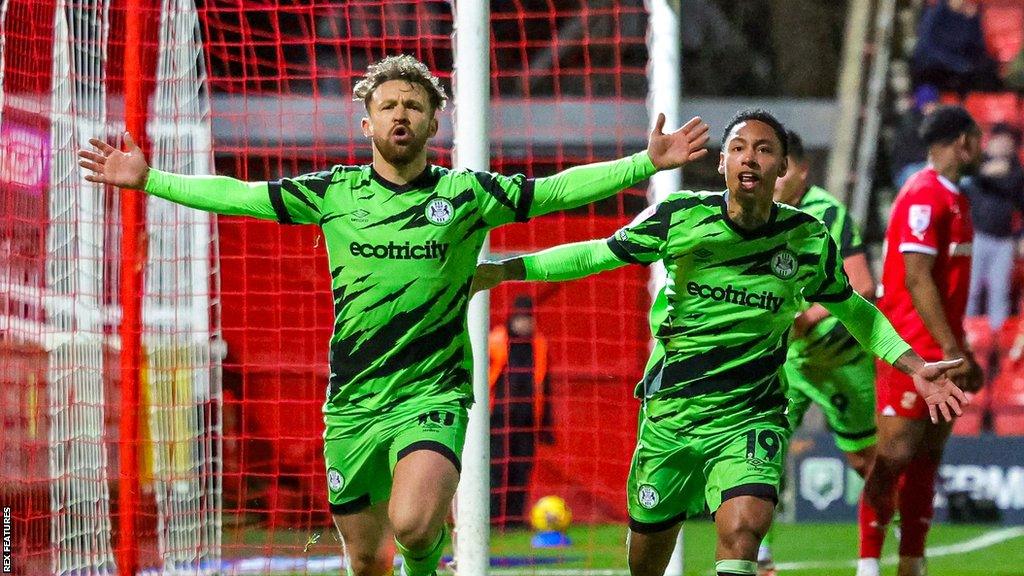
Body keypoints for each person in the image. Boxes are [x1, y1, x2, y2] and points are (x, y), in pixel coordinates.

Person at [77, 54, 711, 576]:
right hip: (352, 401)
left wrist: (644, 163)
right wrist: (150, 179)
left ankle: (425, 560)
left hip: (431, 394)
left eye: (414, 104)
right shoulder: (332, 193)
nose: (401, 113)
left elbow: (553, 191)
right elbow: (239, 196)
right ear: (367, 123)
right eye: (388, 104)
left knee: (412, 524)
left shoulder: (465, 195)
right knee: (362, 558)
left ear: (435, 119)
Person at [473, 108, 968, 576]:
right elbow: (597, 255)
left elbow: (856, 309)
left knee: (744, 531)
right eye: (738, 147)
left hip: (750, 414)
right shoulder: (679, 217)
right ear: (722, 162)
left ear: (783, 169)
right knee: (646, 558)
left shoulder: (807, 237)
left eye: (764, 149)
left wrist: (913, 364)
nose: (750, 157)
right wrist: (508, 270)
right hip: (672, 415)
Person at [857, 105, 985, 576]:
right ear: (963, 141)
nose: (980, 145)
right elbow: (916, 279)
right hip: (909, 350)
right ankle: (868, 564)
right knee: (893, 457)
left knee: (928, 458)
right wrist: (954, 351)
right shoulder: (922, 196)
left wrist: (961, 349)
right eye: (976, 136)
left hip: (944, 349)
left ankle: (911, 561)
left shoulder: (957, 198)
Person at [755, 130, 880, 576]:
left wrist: (807, 318)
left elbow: (863, 285)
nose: (774, 177)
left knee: (865, 462)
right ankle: (760, 556)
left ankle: (899, 530)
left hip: (841, 359)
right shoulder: (760, 215)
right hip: (788, 362)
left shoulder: (830, 213)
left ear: (802, 171)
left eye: (782, 168)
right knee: (761, 451)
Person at [488, 295, 553, 529]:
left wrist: (546, 425)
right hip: (497, 418)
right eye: (521, 318)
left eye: (529, 318)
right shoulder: (496, 340)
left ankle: (515, 519)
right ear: (512, 318)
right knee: (496, 470)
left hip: (527, 421)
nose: (525, 323)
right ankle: (493, 519)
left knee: (521, 470)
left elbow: (546, 386)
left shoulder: (539, 345)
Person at [964, 123, 1024, 354]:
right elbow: (972, 178)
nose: (1004, 145)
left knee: (999, 293)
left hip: (1004, 241)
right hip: (977, 238)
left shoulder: (1017, 172)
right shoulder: (976, 164)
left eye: (1009, 142)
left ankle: (996, 345)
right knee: (972, 290)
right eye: (1000, 140)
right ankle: (966, 338)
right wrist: (988, 171)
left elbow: (1013, 187)